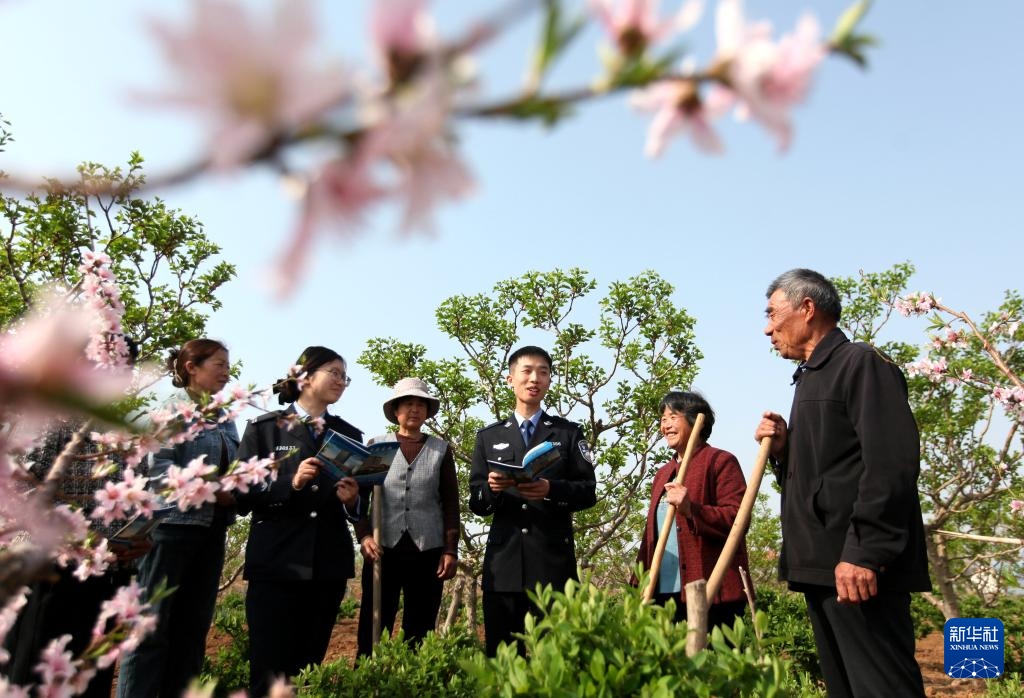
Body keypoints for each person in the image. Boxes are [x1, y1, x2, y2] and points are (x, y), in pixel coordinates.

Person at [754, 268, 929, 698]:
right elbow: (829, 473)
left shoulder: (861, 363)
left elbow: (890, 463)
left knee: (882, 689)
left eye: (772, 314)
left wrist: (865, 552)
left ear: (807, 308)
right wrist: (785, 451)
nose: (767, 329)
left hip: (855, 568)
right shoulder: (812, 376)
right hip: (823, 566)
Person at [6, 340, 149, 698]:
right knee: (35, 674)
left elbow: (138, 493)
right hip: (52, 569)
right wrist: (79, 536)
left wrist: (139, 539)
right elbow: (23, 488)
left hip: (108, 572)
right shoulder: (51, 414)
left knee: (89, 678)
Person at [234, 346, 363, 697]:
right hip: (275, 563)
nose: (341, 381)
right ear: (305, 376)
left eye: (345, 376)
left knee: (307, 672)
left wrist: (353, 501)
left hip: (327, 566)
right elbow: (240, 494)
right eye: (334, 373)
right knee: (268, 672)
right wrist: (289, 483)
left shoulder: (349, 435)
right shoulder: (265, 429)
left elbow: (360, 503)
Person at [117, 338, 238, 698]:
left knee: (192, 629)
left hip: (211, 530)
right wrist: (209, 488)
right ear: (191, 368)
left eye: (227, 365)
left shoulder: (224, 417)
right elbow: (158, 468)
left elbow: (234, 466)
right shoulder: (170, 410)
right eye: (219, 364)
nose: (226, 372)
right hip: (170, 529)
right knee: (150, 628)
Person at [469, 345, 597, 656]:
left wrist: (550, 489)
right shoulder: (488, 437)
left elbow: (588, 491)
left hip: (553, 566)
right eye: (526, 371)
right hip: (504, 566)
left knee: (555, 659)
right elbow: (477, 502)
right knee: (503, 659)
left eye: (543, 372)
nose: (534, 379)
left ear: (550, 380)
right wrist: (493, 489)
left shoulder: (568, 434)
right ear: (510, 379)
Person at [354, 377, 460, 657]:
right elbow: (360, 498)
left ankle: (413, 679)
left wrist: (450, 549)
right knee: (373, 627)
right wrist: (364, 536)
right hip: (382, 550)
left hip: (427, 551)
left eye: (420, 405)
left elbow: (450, 503)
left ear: (427, 412)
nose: (414, 409)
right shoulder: (378, 446)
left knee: (420, 628)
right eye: (408, 404)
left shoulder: (440, 450)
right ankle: (369, 677)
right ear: (396, 410)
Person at [635, 391, 752, 630]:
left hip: (712, 591)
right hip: (663, 594)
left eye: (673, 417)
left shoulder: (720, 461)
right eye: (663, 419)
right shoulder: (662, 474)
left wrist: (692, 510)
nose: (665, 425)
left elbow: (737, 520)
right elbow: (651, 537)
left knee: (713, 653)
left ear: (695, 421)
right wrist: (639, 582)